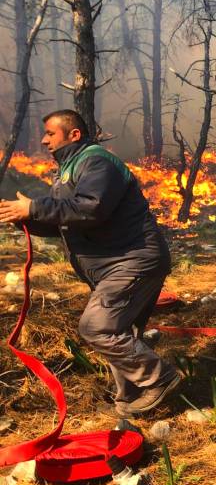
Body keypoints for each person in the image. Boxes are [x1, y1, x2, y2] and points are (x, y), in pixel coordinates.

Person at [0, 110, 179, 417]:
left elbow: (90, 209)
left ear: (74, 135)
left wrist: (35, 207)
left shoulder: (96, 162)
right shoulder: (70, 170)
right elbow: (65, 221)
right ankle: (131, 403)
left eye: (50, 134)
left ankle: (160, 378)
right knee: (118, 331)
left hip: (133, 259)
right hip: (117, 263)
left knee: (98, 327)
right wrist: (24, 217)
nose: (43, 140)